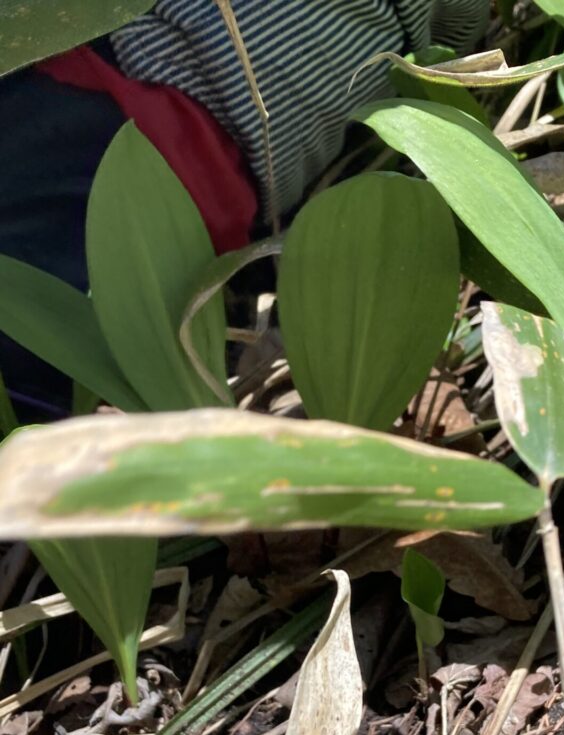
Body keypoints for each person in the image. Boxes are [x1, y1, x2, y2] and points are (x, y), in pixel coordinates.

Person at [0, 1, 489, 420]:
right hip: (159, 107)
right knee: (51, 330)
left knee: (44, 321)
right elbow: (451, 56)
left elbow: (451, 55)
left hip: (154, 108)